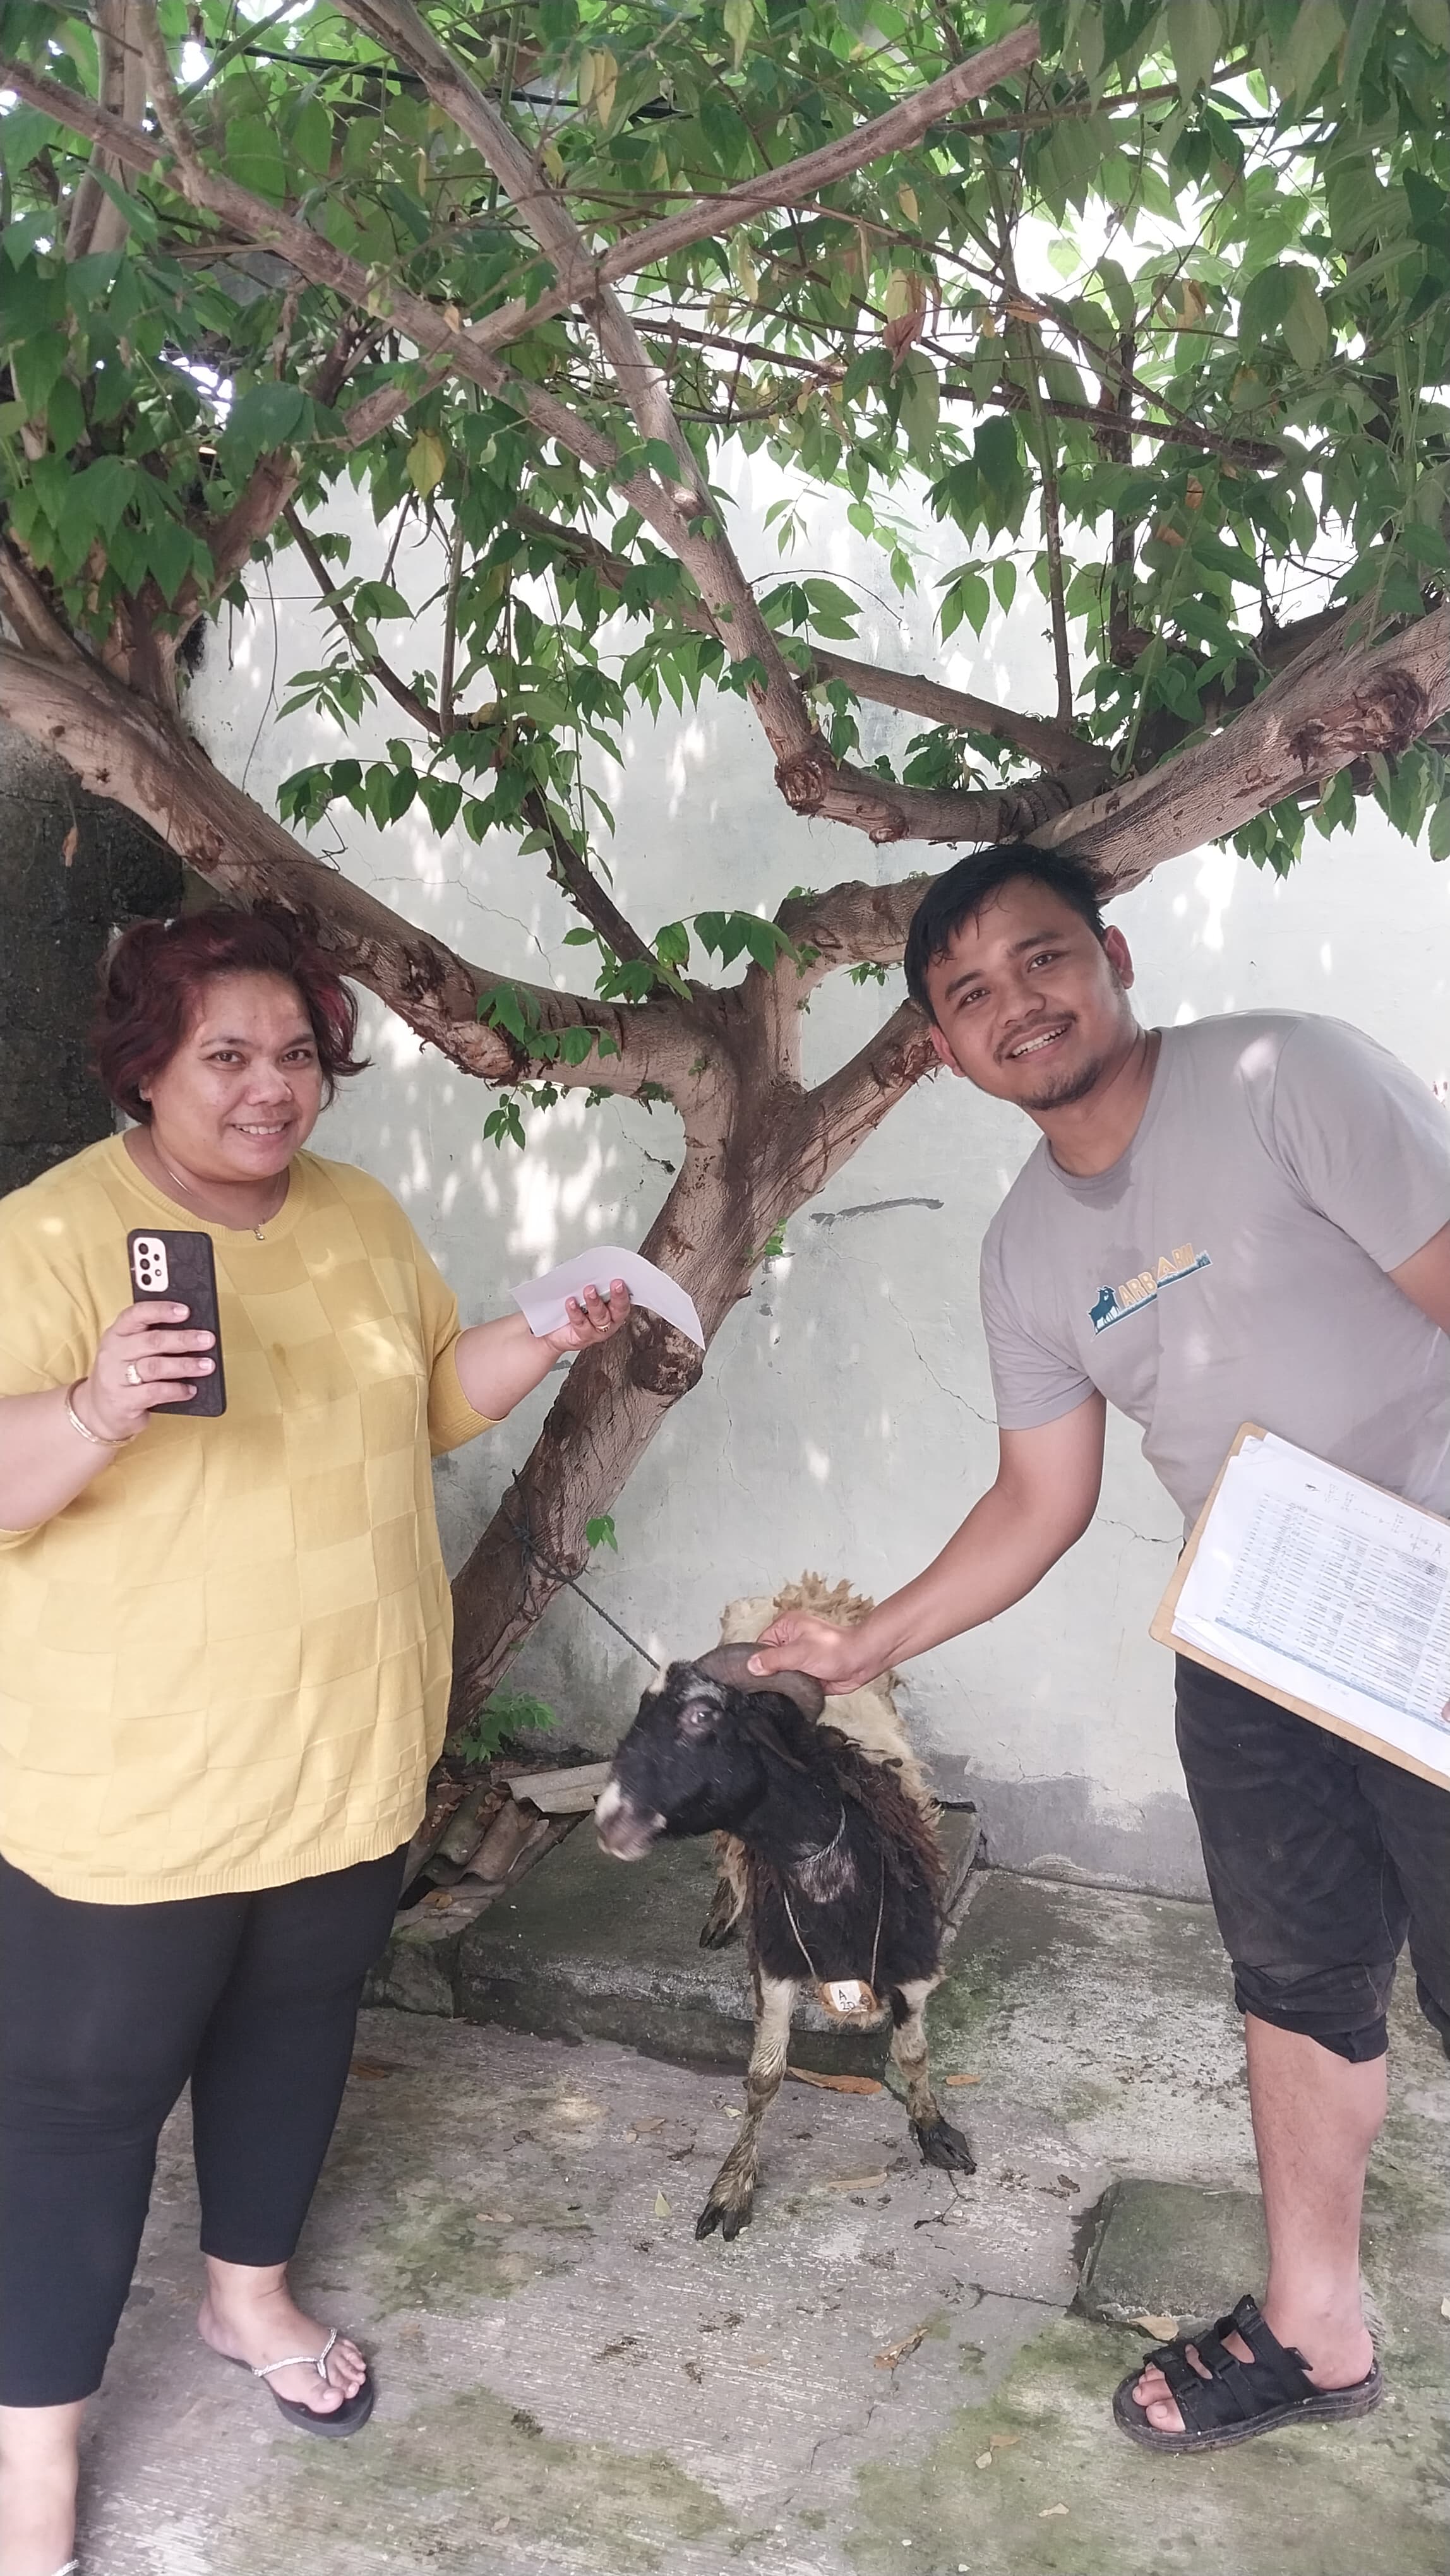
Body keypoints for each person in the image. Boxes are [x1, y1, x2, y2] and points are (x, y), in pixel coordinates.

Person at [750, 843, 1450, 2456]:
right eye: (969, 994)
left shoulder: (1287, 1076)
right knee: (1293, 1985)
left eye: (1042, 958)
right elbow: (1035, 1500)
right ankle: (1313, 2328)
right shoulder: (1022, 1253)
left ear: (1112, 957)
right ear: (942, 1048)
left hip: (1433, 1598)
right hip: (1258, 1645)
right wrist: (862, 1643)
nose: (1018, 1004)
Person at [0, 907, 630, 2576]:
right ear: (146, 1066)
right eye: (226, 1054)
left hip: (342, 1748)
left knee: (292, 2032)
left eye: (296, 1053)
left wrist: (544, 1332)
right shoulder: (50, 1236)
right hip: (135, 1783)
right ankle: (33, 2455)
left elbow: (420, 1397)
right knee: (79, 2105)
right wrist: (95, 1407)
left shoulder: (355, 1213)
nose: (269, 1087)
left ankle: (247, 2299)